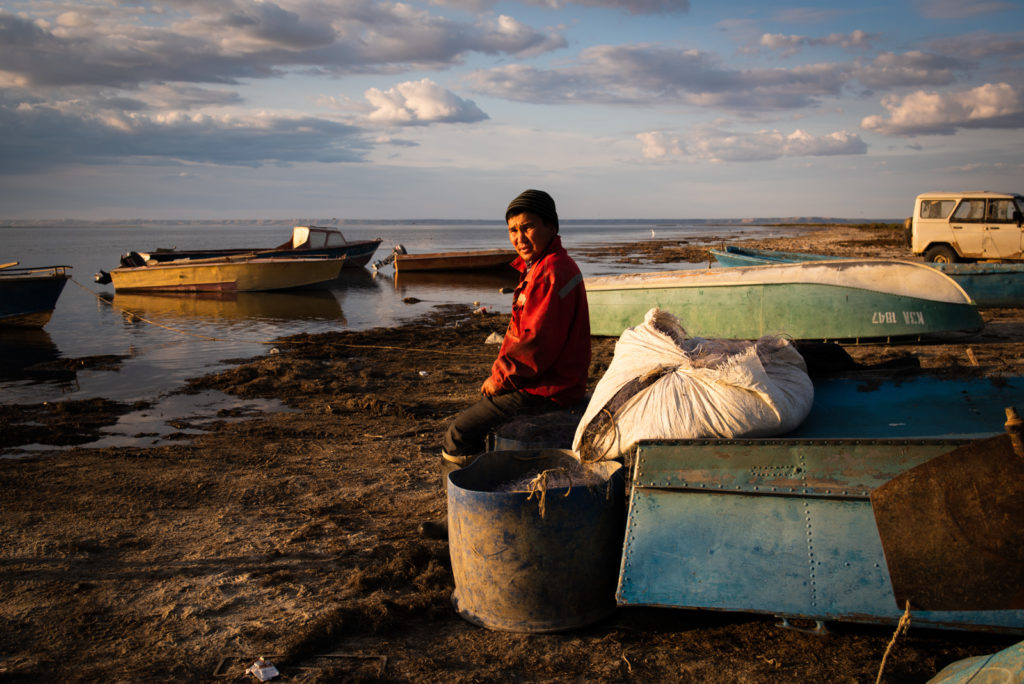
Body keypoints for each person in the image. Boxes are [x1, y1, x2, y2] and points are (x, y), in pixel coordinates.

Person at [421, 189, 591, 539]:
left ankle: (461, 523)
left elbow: (534, 345)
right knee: (483, 428)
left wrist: (499, 379)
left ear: (550, 225)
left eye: (527, 227)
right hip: (547, 381)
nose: (519, 238)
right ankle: (478, 506)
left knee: (459, 433)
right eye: (513, 230)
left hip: (547, 388)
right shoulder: (546, 267)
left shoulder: (551, 272)